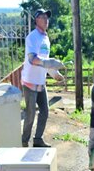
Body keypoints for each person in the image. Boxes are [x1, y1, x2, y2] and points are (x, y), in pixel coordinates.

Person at [21, 8, 65, 148]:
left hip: (41, 82)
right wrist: (51, 62)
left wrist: (54, 74)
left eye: (47, 17)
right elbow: (32, 59)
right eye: (43, 17)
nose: (46, 20)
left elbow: (45, 61)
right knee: (30, 115)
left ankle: (38, 139)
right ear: (36, 20)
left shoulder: (46, 38)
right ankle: (24, 141)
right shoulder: (32, 37)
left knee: (45, 112)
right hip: (29, 82)